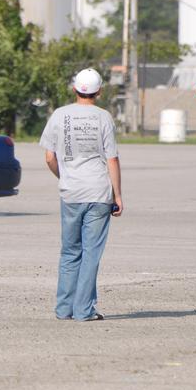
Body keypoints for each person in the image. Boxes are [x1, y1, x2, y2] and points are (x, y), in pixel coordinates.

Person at [39, 68, 123, 321]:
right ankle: (84, 310)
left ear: (75, 88)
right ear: (99, 92)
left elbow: (49, 157)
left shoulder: (59, 115)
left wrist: (64, 177)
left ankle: (64, 308)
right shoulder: (104, 117)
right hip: (98, 191)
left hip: (71, 192)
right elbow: (112, 159)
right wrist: (117, 195)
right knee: (91, 253)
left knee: (69, 252)